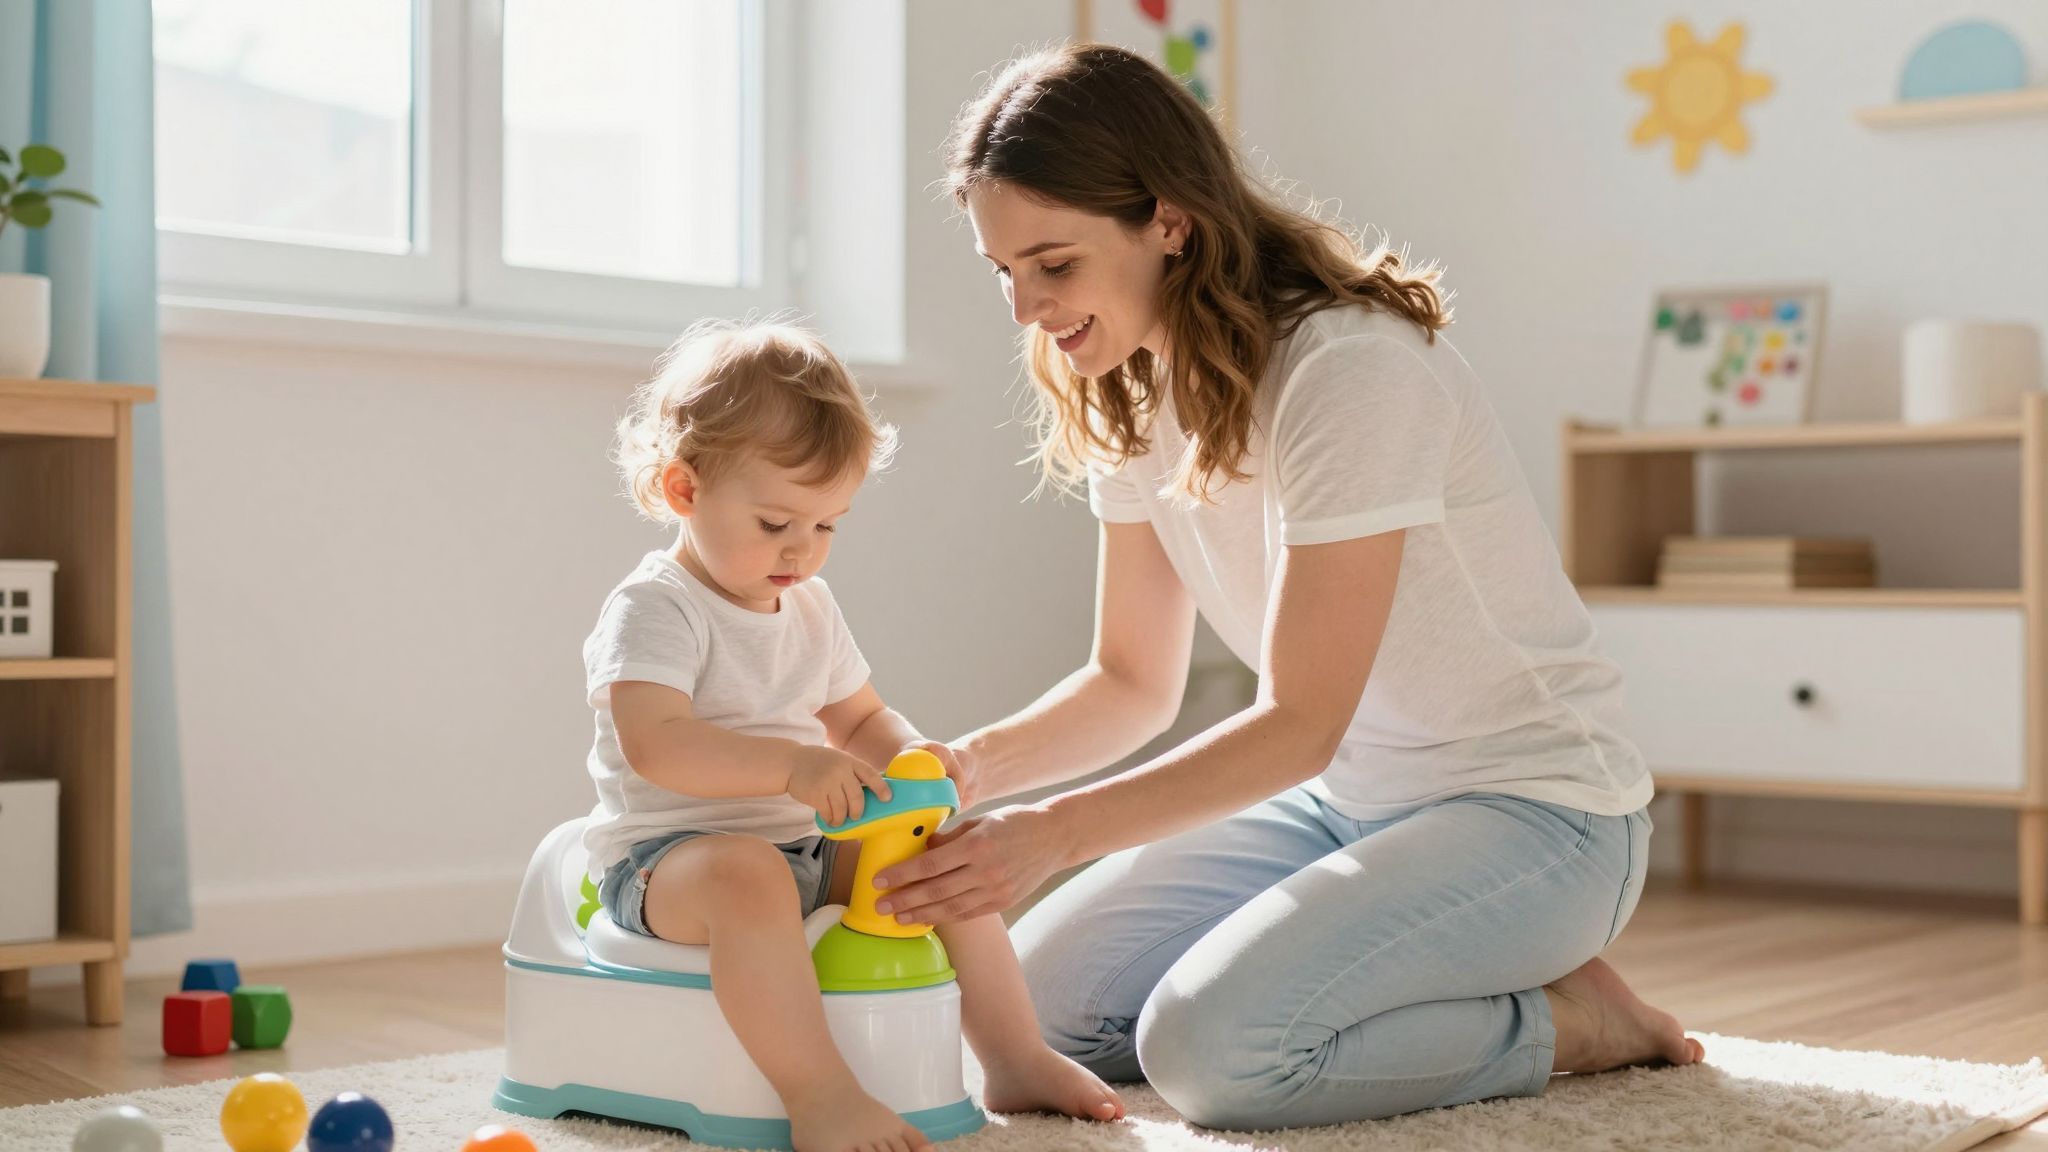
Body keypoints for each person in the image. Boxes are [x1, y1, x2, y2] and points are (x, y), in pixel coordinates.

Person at [868, 45, 1706, 1130]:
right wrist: (966, 772)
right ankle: (1421, 970)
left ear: (1167, 221)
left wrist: (1055, 833)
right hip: (1343, 805)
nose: (1025, 306)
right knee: (1024, 1009)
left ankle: (1569, 1024)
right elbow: (1128, 681)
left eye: (1053, 264)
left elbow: (1301, 720)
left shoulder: (1347, 370)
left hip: (1539, 813)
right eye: (1003, 271)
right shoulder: (1131, 388)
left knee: (1213, 1053)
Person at [585, 320, 1124, 1152]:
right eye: (775, 524)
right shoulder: (656, 608)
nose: (802, 550)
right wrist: (792, 767)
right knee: (746, 874)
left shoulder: (807, 605)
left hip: (802, 848)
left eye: (827, 526)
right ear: (684, 490)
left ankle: (1013, 1055)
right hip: (669, 864)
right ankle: (821, 1095)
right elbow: (660, 744)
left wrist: (916, 758)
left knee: (940, 858)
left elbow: (860, 718)